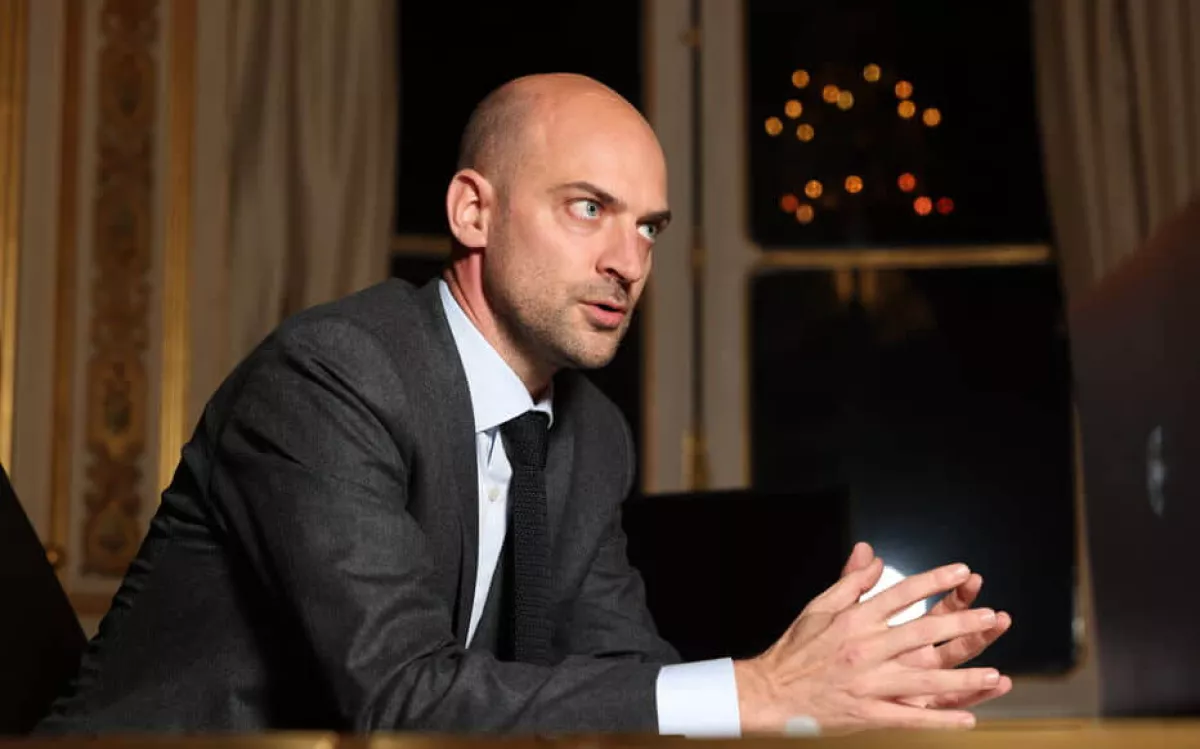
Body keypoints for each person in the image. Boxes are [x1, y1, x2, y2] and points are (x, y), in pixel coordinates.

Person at [37, 73, 1012, 736]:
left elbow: (627, 682)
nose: (628, 260)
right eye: (589, 208)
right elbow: (399, 695)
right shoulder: (332, 375)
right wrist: (758, 686)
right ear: (474, 210)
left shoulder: (590, 435)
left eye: (649, 227)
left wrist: (844, 691)